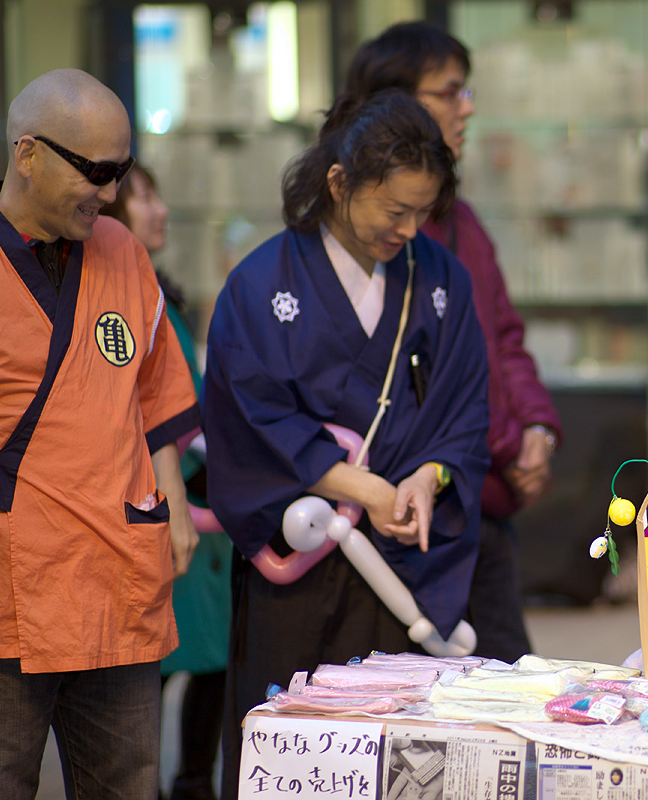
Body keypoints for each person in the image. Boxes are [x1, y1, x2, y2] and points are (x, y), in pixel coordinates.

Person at [202, 89, 489, 798]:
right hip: (303, 558)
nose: (411, 231)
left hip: (403, 558)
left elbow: (464, 405)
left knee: (400, 760)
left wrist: (430, 477)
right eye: (396, 211)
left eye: (424, 212)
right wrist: (361, 487)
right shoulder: (262, 284)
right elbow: (249, 411)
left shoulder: (442, 280)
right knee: (298, 754)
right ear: (338, 183)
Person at [0, 69, 199, 798]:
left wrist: (170, 494)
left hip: (118, 577)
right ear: (28, 155)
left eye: (121, 173)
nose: (111, 195)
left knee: (125, 785)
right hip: (11, 592)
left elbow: (158, 392)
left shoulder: (122, 252)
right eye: (96, 172)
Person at [344, 21, 562, 661]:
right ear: (396, 105)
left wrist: (538, 429)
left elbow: (504, 338)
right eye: (451, 92)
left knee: (508, 686)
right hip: (415, 508)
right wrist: (505, 443)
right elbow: (418, 378)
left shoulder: (460, 218)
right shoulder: (375, 235)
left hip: (483, 492)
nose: (466, 108)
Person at [101, 166, 230, 800]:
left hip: (193, 507)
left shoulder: (157, 294)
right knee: (144, 672)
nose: (159, 208)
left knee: (210, 662)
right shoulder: (113, 294)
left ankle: (188, 783)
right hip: (157, 510)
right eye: (143, 196)